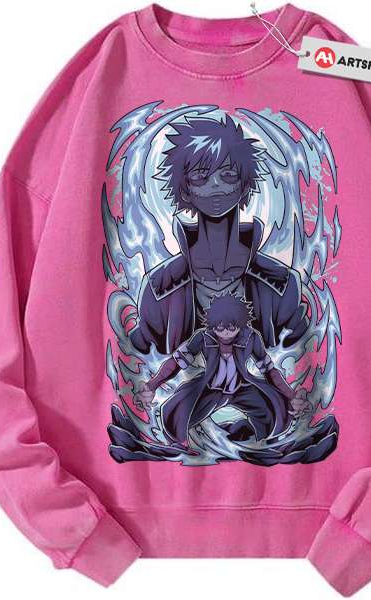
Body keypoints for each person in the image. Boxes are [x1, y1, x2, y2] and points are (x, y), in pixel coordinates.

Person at [127, 114, 310, 355]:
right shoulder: (159, 286)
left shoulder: (282, 284)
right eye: (200, 177)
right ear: (185, 190)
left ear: (245, 185)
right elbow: (140, 357)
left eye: (228, 175)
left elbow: (298, 353)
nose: (215, 184)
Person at [134, 293, 312, 448]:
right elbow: (176, 362)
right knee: (177, 416)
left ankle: (259, 444)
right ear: (212, 324)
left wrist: (291, 395)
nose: (226, 332)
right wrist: (152, 385)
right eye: (220, 327)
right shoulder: (203, 337)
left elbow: (269, 371)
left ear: (241, 324)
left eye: (231, 327)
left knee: (273, 412)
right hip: (210, 390)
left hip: (242, 388)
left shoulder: (250, 337)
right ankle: (180, 448)